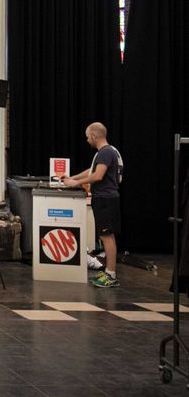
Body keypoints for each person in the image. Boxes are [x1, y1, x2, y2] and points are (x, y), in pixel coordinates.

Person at [62, 122, 124, 288]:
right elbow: (91, 171)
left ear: (95, 136)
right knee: (106, 236)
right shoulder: (109, 152)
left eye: (88, 136)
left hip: (105, 199)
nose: (87, 139)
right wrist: (72, 178)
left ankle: (111, 275)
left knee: (107, 236)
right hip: (105, 199)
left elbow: (97, 176)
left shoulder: (105, 153)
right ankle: (109, 273)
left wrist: (75, 184)